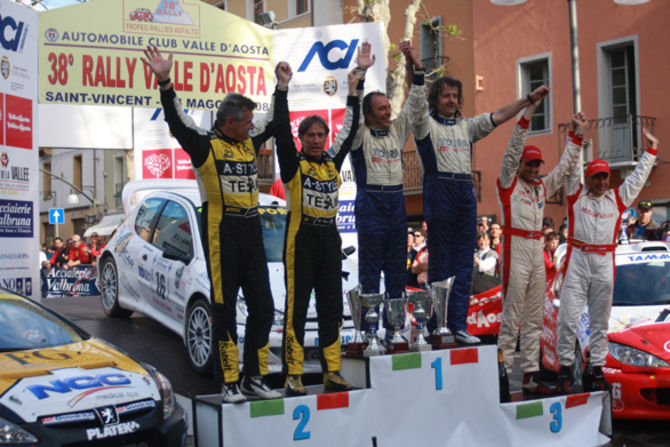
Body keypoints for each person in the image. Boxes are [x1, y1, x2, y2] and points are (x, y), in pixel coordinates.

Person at [142, 45, 280, 403]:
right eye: (246, 122)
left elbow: (272, 121)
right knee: (224, 309)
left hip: (252, 230)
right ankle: (229, 381)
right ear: (228, 122)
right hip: (221, 230)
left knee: (264, 308)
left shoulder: (249, 142)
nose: (252, 126)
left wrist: (281, 87)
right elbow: (178, 122)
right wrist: (165, 81)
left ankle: (254, 377)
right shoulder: (204, 144)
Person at [411, 62, 551, 345]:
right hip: (439, 188)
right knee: (442, 263)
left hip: (464, 189)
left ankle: (458, 325)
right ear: (435, 99)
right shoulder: (426, 124)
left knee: (464, 263)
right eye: (446, 96)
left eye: (455, 96)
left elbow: (498, 116)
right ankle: (439, 327)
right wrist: (415, 69)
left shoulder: (467, 126)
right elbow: (416, 105)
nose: (451, 100)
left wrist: (528, 100)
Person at [272, 61, 361, 395]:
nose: (315, 139)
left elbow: (348, 130)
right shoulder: (293, 165)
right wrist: (282, 89)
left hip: (329, 241)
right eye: (309, 135)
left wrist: (353, 92)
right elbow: (281, 131)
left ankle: (332, 372)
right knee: (296, 311)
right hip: (301, 242)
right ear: (302, 139)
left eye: (320, 135)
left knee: (331, 309)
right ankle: (293, 375)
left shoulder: (331, 162)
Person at [556, 127, 659, 393]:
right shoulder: (576, 195)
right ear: (588, 179)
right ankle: (565, 366)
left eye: (604, 177)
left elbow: (637, 179)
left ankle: (597, 367)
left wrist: (650, 151)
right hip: (578, 259)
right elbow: (570, 168)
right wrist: (575, 137)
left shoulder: (617, 198)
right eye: (597, 177)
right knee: (567, 317)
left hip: (604, 261)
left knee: (600, 320)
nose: (602, 181)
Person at [496, 98, 584, 393]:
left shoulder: (541, 187)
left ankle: (531, 373)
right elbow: (512, 151)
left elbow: (563, 169)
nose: (534, 169)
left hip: (536, 249)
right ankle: (502, 372)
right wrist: (527, 114)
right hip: (515, 246)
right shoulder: (508, 183)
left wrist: (576, 136)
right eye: (529, 164)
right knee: (512, 316)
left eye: (536, 164)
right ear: (520, 165)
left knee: (534, 317)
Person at [348, 41, 426, 320]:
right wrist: (361, 71)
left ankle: (395, 330)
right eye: (381, 109)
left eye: (388, 107)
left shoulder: (397, 130)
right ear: (369, 115)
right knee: (370, 271)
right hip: (370, 202)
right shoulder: (359, 134)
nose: (387, 112)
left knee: (396, 270)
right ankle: (369, 331)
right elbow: (353, 110)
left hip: (396, 202)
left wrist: (415, 64)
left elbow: (415, 103)